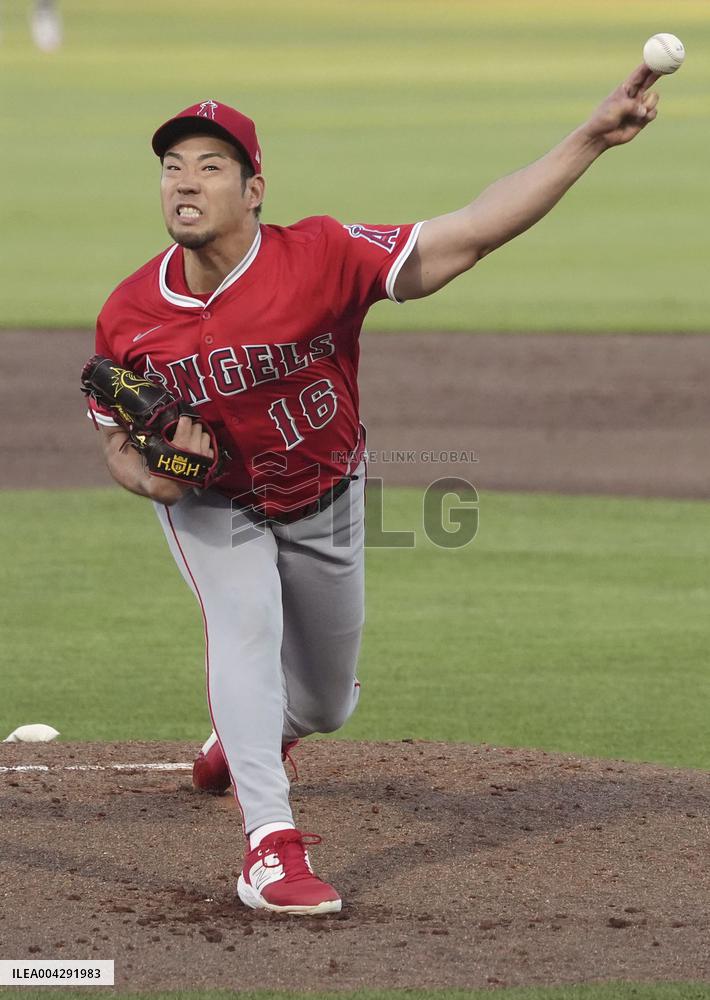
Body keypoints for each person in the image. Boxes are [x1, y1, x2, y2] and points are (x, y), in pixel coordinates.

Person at [86, 67, 660, 915]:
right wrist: (156, 480)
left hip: (326, 496)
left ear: (254, 188)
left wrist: (588, 139)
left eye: (211, 165)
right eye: (173, 164)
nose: (186, 180)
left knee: (322, 702)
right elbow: (115, 444)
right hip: (220, 506)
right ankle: (270, 851)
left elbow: (466, 234)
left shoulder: (320, 256)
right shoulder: (130, 313)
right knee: (243, 628)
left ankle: (251, 741)